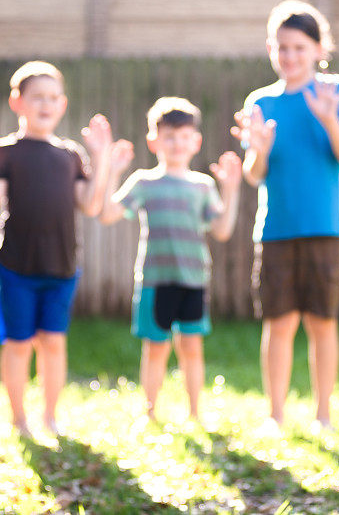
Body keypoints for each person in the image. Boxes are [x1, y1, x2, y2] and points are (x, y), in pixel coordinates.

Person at [0, 61, 114, 436]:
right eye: (37, 97)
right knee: (19, 343)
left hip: (62, 267)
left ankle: (50, 416)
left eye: (52, 98)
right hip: (16, 265)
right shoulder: (5, 152)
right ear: (17, 102)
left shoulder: (70, 155)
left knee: (52, 342)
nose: (45, 105)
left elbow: (92, 205)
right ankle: (19, 418)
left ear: (62, 104)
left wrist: (103, 158)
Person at [231, 0, 339, 427]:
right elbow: (254, 174)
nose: (289, 56)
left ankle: (323, 414)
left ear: (319, 50)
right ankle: (277, 415)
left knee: (322, 323)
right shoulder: (260, 102)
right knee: (279, 323)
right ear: (271, 48)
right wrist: (259, 152)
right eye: (281, 48)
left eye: (299, 48)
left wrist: (328, 120)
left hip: (325, 228)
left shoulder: (337, 91)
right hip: (274, 230)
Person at [100, 97, 241, 422]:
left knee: (191, 347)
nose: (176, 143)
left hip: (193, 280)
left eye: (183, 136)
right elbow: (108, 213)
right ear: (153, 140)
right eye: (169, 136)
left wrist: (231, 189)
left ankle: (194, 413)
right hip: (155, 281)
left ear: (196, 141)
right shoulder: (143, 182)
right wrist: (112, 171)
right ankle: (150, 413)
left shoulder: (203, 186)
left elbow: (221, 229)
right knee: (156, 347)